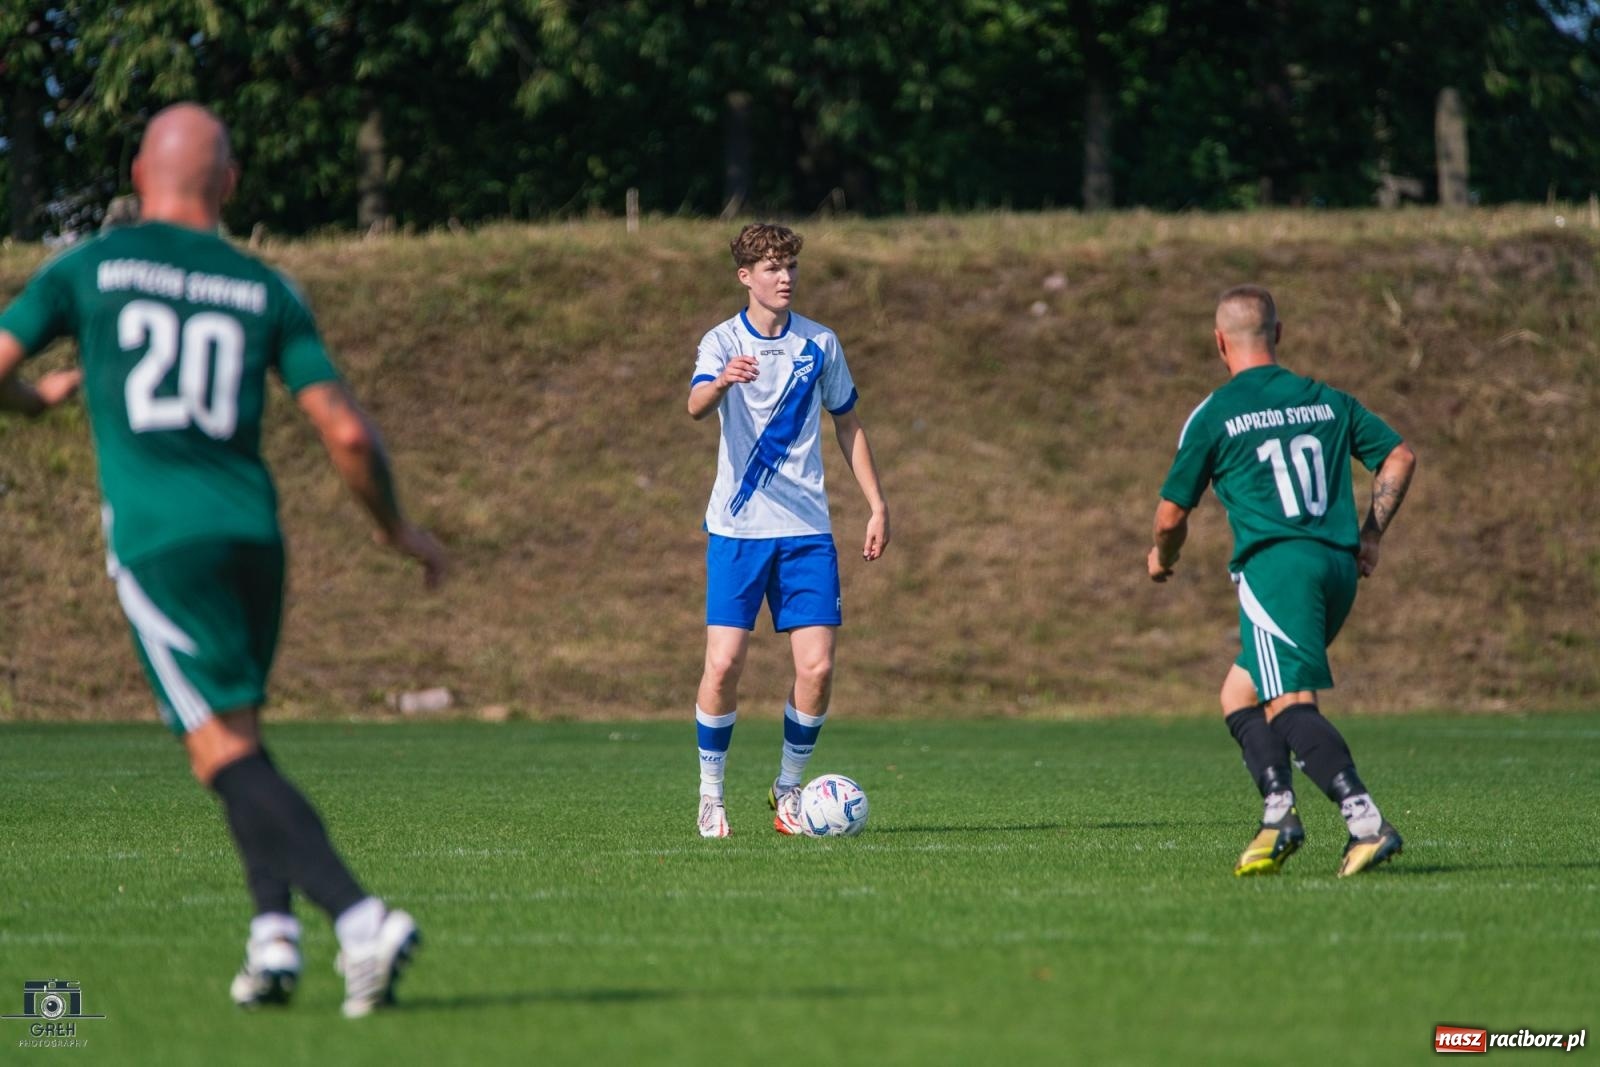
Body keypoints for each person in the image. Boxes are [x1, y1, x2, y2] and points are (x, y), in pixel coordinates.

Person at [0, 103, 446, 1015]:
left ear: (136, 176)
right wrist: (396, 529)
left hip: (161, 542)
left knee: (217, 752)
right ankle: (272, 940)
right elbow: (348, 432)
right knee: (238, 736)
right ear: (231, 184)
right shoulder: (266, 287)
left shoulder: (86, 269)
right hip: (255, 539)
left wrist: (34, 402)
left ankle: (361, 919)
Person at [1147, 285, 1416, 877]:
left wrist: (1161, 558)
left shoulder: (1216, 412)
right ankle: (1277, 816)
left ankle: (1366, 822)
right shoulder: (1327, 401)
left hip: (1277, 570)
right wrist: (1371, 534)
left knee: (1290, 704)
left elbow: (1171, 516)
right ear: (1279, 333)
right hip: (1337, 569)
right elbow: (1398, 456)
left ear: (1219, 341)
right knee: (1240, 694)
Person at [687, 223, 889, 838]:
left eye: (791, 267)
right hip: (738, 531)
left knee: (819, 669)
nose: (785, 278)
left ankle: (787, 791)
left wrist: (877, 505)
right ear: (745, 277)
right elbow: (695, 405)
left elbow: (848, 424)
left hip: (806, 532)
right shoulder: (720, 341)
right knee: (722, 666)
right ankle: (711, 794)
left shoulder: (820, 344)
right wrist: (723, 381)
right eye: (772, 268)